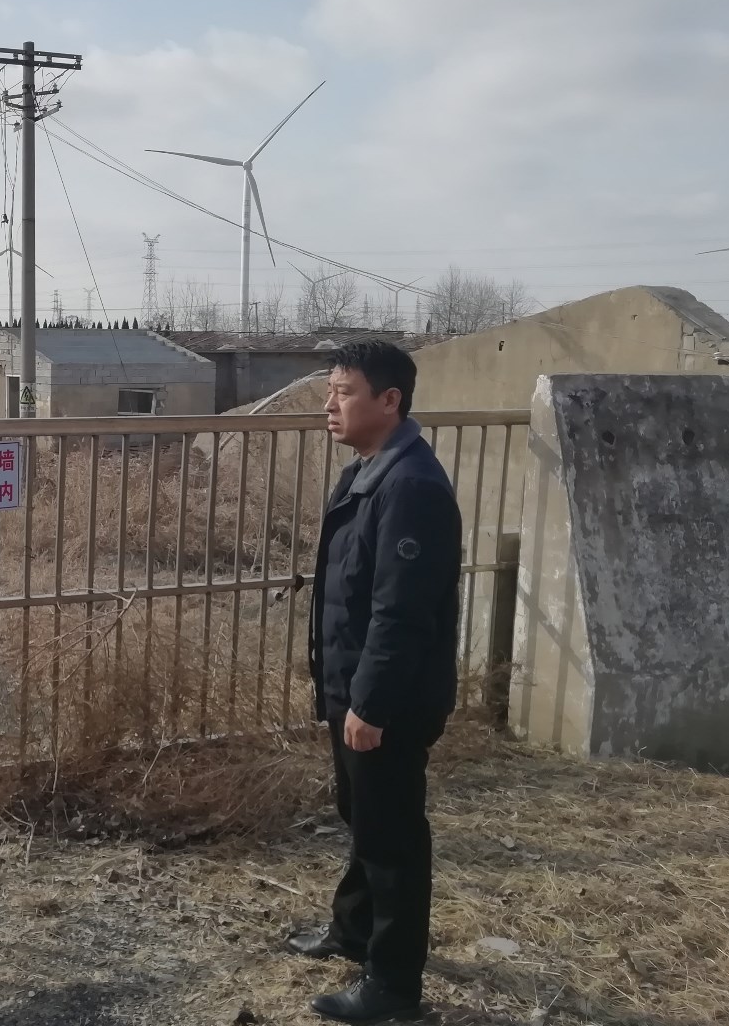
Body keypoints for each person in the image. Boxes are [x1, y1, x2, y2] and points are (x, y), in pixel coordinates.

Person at [287, 340, 461, 1024]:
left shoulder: (410, 487)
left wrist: (371, 703)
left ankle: (391, 987)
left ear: (390, 401)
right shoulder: (369, 470)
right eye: (329, 392)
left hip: (386, 697)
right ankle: (354, 930)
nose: (330, 406)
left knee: (391, 838)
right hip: (355, 683)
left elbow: (402, 613)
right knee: (361, 815)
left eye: (344, 392)